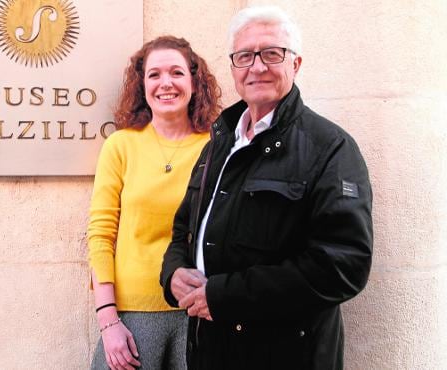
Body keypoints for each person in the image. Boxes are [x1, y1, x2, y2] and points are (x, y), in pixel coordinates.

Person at [160, 6, 373, 370]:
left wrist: (226, 296)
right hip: (210, 351)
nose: (257, 67)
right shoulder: (219, 143)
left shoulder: (330, 147)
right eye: (244, 56)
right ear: (233, 68)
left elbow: (343, 266)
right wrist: (173, 273)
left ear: (296, 64)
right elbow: (184, 229)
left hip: (287, 355)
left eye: (272, 53)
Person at [87, 35, 222, 370]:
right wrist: (108, 320)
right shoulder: (121, 146)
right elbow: (101, 234)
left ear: (194, 81)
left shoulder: (216, 147)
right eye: (154, 74)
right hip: (133, 316)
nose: (166, 83)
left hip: (199, 310)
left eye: (176, 73)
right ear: (142, 84)